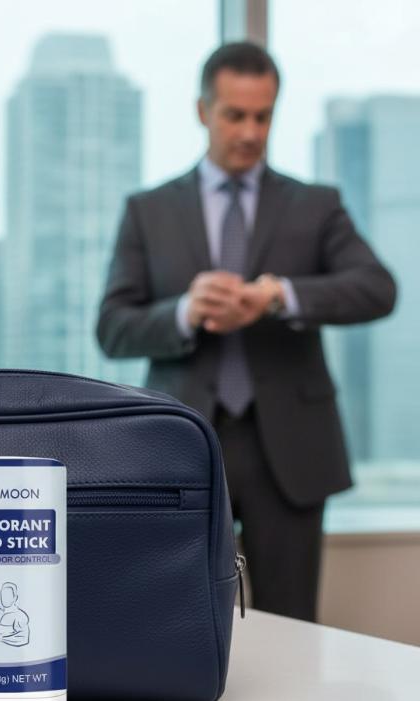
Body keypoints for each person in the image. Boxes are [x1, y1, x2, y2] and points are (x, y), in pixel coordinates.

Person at [96, 41, 397, 623]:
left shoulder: (317, 205)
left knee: (293, 624)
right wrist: (185, 311)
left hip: (292, 448)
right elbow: (112, 327)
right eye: (235, 115)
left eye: (263, 116)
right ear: (202, 110)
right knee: (178, 622)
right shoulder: (148, 211)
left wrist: (279, 295)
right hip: (184, 443)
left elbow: (377, 288)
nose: (251, 132)